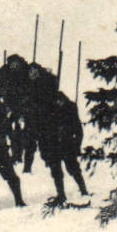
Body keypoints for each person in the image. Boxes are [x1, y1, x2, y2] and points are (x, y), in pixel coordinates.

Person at [28, 64, 89, 201]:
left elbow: (77, 128)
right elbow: (40, 130)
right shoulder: (40, 107)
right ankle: (62, 194)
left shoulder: (65, 105)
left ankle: (83, 190)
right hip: (51, 140)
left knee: (72, 167)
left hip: (64, 140)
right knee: (56, 170)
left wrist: (76, 145)